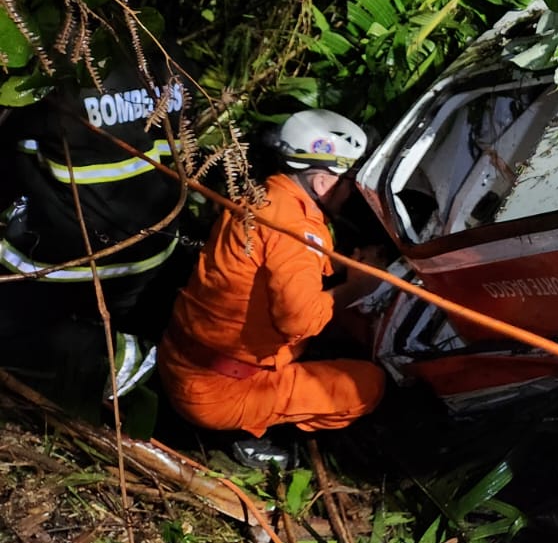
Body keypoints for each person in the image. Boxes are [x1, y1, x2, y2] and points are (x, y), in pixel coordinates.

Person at [157, 109, 386, 445]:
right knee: (367, 386)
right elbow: (299, 322)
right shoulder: (296, 229)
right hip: (220, 390)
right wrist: (356, 287)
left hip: (182, 359)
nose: (354, 193)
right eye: (351, 182)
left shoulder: (267, 196)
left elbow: (280, 263)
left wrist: (341, 267)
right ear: (323, 182)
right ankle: (256, 437)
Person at [0, 38, 191, 417]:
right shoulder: (168, 57)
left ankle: (101, 360)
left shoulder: (52, 71)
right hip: (151, 251)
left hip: (63, 261)